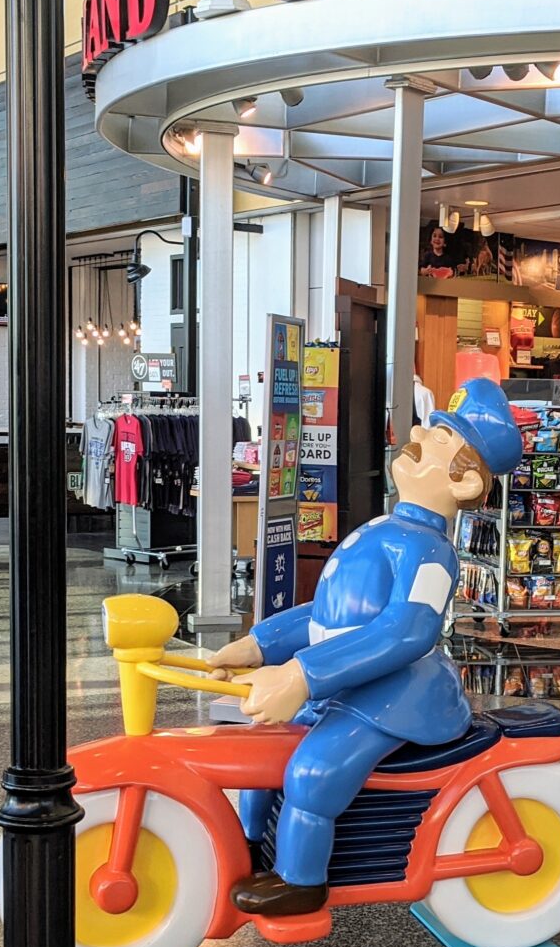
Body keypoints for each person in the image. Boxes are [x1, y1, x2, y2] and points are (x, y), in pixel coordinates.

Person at [205, 378, 524, 917]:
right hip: (352, 681)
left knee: (315, 770)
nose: (421, 433)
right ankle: (250, 844)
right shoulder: (386, 529)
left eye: (442, 439)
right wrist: (260, 646)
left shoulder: (429, 552)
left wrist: (302, 675)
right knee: (263, 746)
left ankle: (301, 881)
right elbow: (329, 615)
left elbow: (406, 633)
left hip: (396, 695)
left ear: (466, 483)